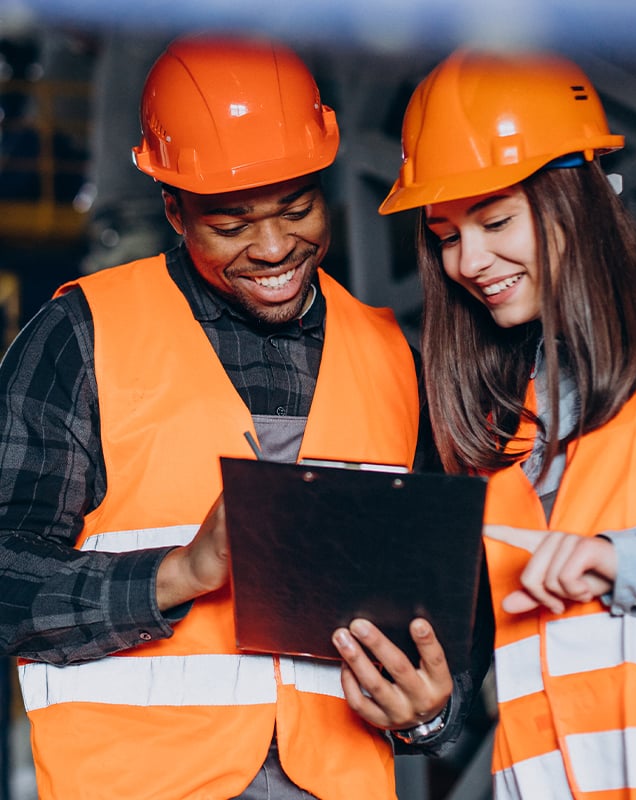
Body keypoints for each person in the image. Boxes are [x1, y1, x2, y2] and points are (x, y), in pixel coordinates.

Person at [0, 36, 493, 800]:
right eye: (231, 224)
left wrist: (431, 714)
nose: (273, 247)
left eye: (297, 208)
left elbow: (453, 605)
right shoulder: (80, 337)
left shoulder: (394, 355)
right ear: (172, 207)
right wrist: (180, 573)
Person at [379, 48, 636, 799]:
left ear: (576, 196)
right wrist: (427, 712)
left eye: (495, 219)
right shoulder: (494, 422)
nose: (469, 260)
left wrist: (625, 564)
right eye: (444, 234)